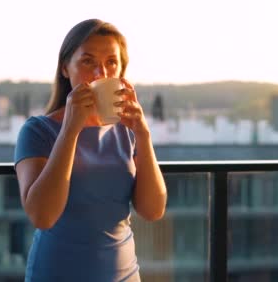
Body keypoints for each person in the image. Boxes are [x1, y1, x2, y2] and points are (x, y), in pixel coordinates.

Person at [14, 19, 167, 281]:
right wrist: (70, 130)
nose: (101, 74)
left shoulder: (128, 132)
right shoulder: (38, 131)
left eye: (111, 63)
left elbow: (153, 210)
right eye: (88, 62)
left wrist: (143, 133)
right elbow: (42, 215)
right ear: (65, 68)